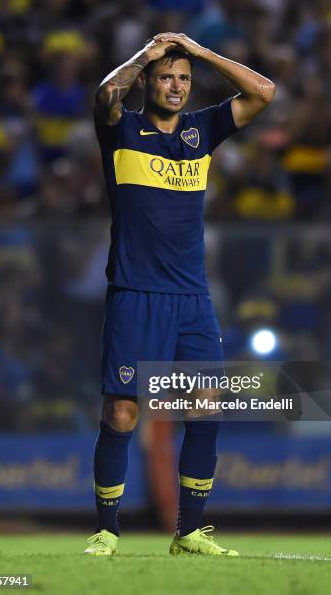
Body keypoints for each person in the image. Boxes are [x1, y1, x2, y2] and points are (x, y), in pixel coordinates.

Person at [85, 32, 275, 556]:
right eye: (166, 77)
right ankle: (107, 531)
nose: (176, 86)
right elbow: (104, 96)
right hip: (135, 292)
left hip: (192, 298)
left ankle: (188, 532)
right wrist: (144, 55)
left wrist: (203, 53)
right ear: (148, 80)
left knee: (205, 406)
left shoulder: (201, 131)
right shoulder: (122, 130)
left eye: (184, 79)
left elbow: (263, 92)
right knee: (123, 411)